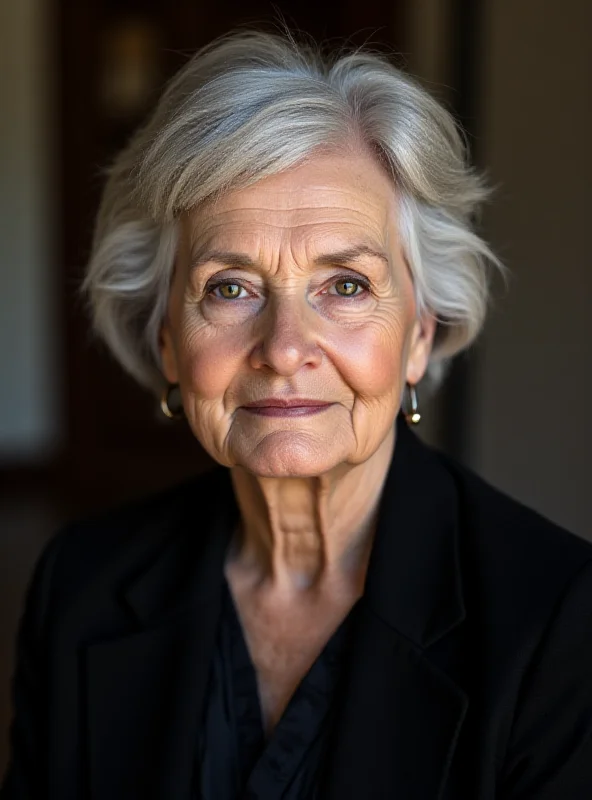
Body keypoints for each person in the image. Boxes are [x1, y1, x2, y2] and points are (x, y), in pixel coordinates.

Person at [2, 29, 592, 800]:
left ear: (419, 334)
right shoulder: (80, 584)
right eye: (230, 287)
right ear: (169, 341)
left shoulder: (558, 620)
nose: (284, 349)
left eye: (345, 285)